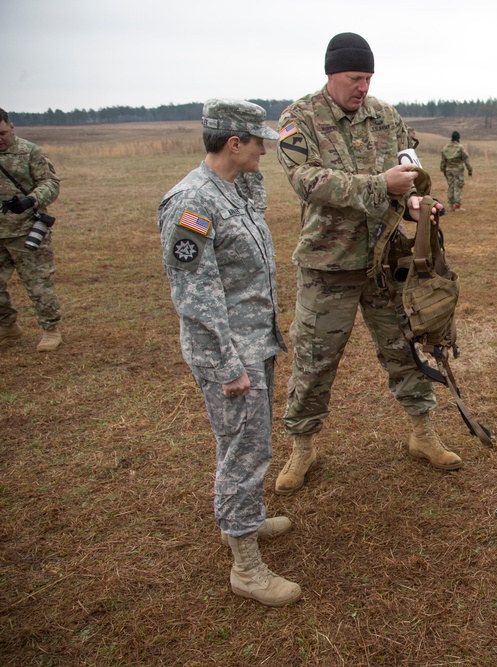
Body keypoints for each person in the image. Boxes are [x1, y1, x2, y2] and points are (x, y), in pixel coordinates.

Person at [274, 32, 461, 497]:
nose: (364, 86)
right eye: (356, 77)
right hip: (327, 265)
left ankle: (422, 432)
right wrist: (381, 185)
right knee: (314, 361)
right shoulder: (300, 119)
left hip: (385, 262)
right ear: (332, 74)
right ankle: (303, 445)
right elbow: (307, 180)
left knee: (405, 348)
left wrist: (417, 202)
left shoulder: (386, 116)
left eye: (369, 77)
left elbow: (410, 171)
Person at [157, 99, 299, 607]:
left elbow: (255, 211)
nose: (265, 148)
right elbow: (195, 296)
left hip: (252, 341)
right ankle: (245, 567)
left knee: (243, 440)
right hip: (229, 352)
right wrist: (226, 365)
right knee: (246, 449)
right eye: (257, 141)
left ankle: (245, 521)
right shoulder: (193, 202)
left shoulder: (232, 189)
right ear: (233, 144)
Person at [0, 108, 62, 352]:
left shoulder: (30, 152)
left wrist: (30, 200)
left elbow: (51, 183)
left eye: (2, 133)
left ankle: (51, 330)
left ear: (11, 127)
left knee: (38, 284)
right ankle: (7, 325)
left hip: (27, 231)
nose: (0, 138)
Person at [440, 130, 472, 211]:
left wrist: (443, 169)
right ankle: (457, 206)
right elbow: (466, 159)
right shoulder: (460, 147)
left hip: (448, 170)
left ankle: (451, 205)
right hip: (458, 170)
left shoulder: (446, 147)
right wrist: (470, 170)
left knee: (450, 186)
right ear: (458, 138)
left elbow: (443, 160)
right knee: (458, 187)